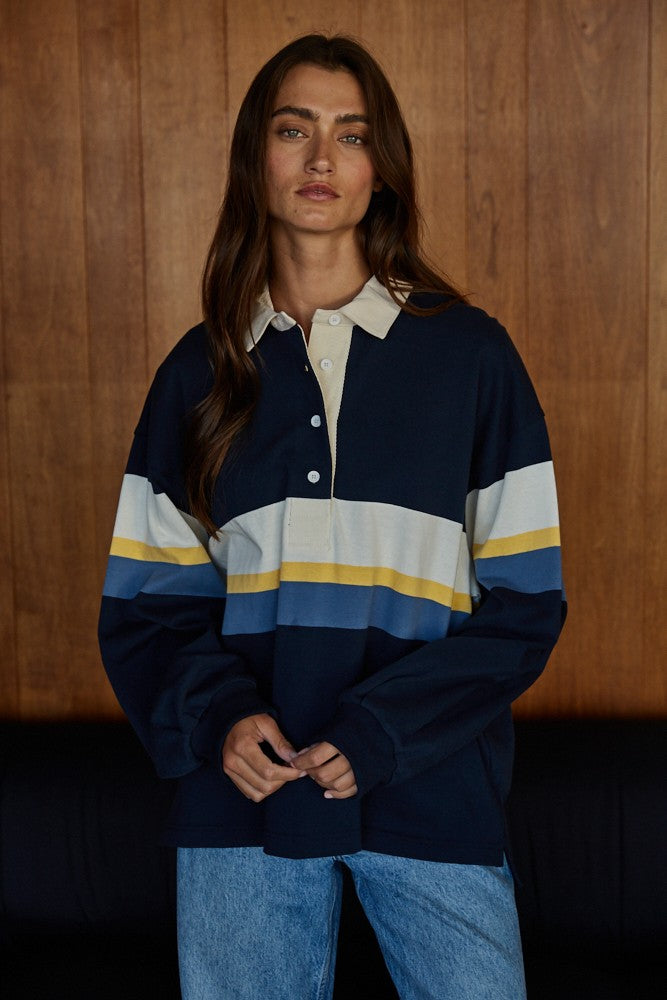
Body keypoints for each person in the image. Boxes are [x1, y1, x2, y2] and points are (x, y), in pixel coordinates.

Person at [99, 33, 566, 1000]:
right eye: (293, 129)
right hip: (243, 802)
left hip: (431, 788)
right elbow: (147, 605)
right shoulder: (197, 373)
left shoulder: (470, 358)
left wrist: (379, 735)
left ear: (379, 168)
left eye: (350, 135)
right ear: (255, 155)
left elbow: (525, 603)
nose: (321, 158)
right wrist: (221, 719)